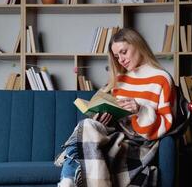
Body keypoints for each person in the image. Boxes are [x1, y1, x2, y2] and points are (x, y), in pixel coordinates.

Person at [56, 28, 176, 187]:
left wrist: (141, 110)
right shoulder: (119, 79)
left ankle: (68, 179)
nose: (121, 60)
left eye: (124, 52)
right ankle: (70, 181)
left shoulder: (162, 78)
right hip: (113, 135)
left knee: (83, 135)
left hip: (137, 143)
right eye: (117, 56)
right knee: (87, 124)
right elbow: (111, 111)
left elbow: (165, 126)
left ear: (137, 45)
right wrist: (101, 118)